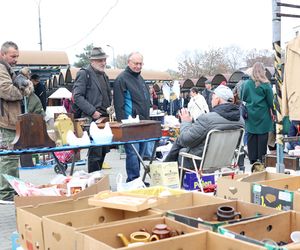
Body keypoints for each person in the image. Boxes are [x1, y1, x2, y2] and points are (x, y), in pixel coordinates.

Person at [164, 85, 244, 167]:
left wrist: (186, 122)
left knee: (180, 142)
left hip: (201, 161)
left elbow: (186, 140)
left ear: (217, 99)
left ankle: (164, 169)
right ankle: (164, 168)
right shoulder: (240, 120)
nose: (211, 101)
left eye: (212, 98)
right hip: (225, 160)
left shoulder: (207, 119)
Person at [0, 41, 33, 202]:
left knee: (10, 157)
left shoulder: (7, 69)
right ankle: (6, 194)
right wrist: (22, 89)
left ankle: (11, 191)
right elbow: (7, 91)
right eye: (13, 56)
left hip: (9, 119)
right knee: (8, 157)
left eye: (17, 56)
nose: (16, 59)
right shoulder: (1, 68)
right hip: (5, 120)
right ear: (3, 54)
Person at [73, 47, 112, 173]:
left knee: (103, 151)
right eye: (100, 60)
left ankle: (97, 180)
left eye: (104, 60)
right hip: (92, 118)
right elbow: (77, 96)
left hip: (104, 118)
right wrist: (92, 111)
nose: (103, 63)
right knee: (95, 153)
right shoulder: (84, 73)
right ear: (92, 61)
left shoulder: (104, 75)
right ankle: (94, 182)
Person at [113, 52, 151, 182]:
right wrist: (122, 124)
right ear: (129, 62)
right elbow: (119, 104)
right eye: (136, 63)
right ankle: (133, 180)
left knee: (141, 153)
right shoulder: (121, 79)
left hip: (143, 122)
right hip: (130, 123)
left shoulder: (140, 79)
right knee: (133, 154)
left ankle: (137, 179)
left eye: (140, 64)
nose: (138, 66)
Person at [241, 62, 274, 164]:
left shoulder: (246, 83)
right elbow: (271, 101)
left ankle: (252, 161)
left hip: (250, 115)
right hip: (263, 115)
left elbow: (243, 97)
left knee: (251, 137)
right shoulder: (266, 85)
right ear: (263, 71)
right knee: (262, 139)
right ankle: (261, 160)